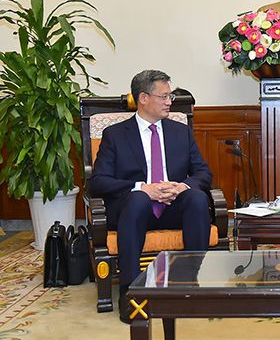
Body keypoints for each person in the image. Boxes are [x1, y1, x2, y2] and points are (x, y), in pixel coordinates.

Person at [89, 70, 213, 323]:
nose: (169, 102)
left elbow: (203, 173)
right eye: (164, 96)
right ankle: (132, 295)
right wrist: (142, 188)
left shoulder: (180, 132)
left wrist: (182, 186)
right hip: (134, 211)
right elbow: (98, 181)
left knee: (197, 199)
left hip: (173, 207)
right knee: (138, 200)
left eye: (171, 96)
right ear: (143, 98)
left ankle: (189, 288)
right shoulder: (116, 134)